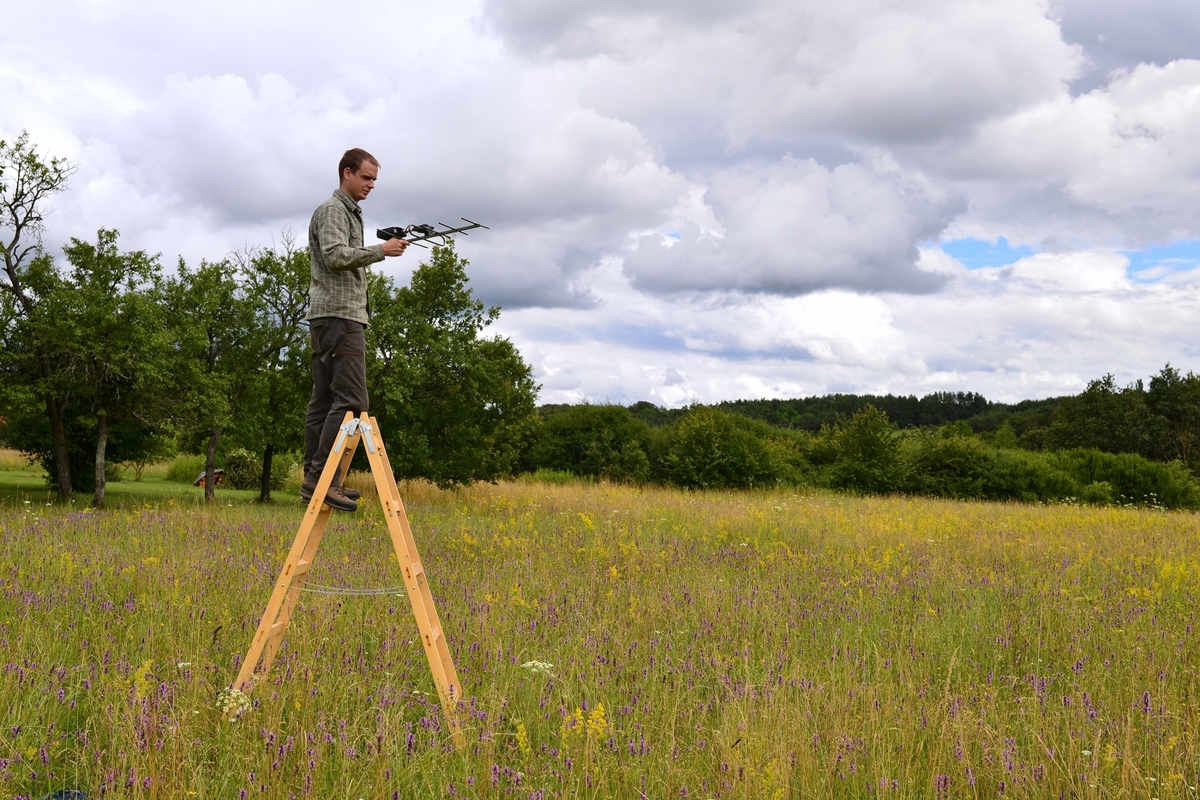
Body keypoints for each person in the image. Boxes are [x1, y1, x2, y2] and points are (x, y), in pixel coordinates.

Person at [301, 148, 408, 511]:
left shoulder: (346, 212)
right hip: (340, 319)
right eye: (366, 177)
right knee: (352, 401)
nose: (371, 185)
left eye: (374, 179)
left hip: (332, 318)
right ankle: (322, 478)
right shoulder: (333, 210)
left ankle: (314, 478)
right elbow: (334, 255)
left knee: (324, 400)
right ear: (346, 173)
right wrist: (380, 251)